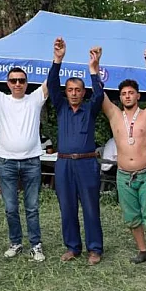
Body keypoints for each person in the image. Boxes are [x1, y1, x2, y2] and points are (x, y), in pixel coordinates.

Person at [0, 54, 49, 262]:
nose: (17, 84)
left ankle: (35, 245)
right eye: (13, 80)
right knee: (10, 208)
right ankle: (15, 243)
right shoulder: (1, 99)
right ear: (8, 83)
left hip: (31, 161)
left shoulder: (35, 99)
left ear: (27, 83)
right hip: (6, 162)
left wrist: (58, 58)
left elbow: (52, 80)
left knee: (32, 207)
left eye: (21, 80)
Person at [102, 48, 146, 271]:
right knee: (131, 216)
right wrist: (94, 67)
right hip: (123, 175)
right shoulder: (114, 115)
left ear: (138, 95)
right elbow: (99, 95)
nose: (127, 96)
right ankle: (142, 250)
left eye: (131, 93)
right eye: (123, 93)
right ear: (120, 97)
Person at [46, 38, 104, 266]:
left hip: (86, 163)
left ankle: (95, 249)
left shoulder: (90, 109)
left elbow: (99, 95)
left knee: (90, 207)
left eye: (77, 90)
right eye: (70, 90)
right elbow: (52, 85)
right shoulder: (61, 108)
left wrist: (93, 69)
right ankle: (72, 247)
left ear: (83, 92)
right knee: (67, 207)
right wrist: (57, 59)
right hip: (64, 164)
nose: (73, 93)